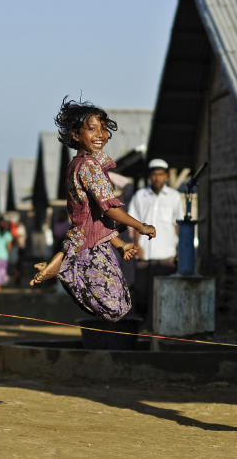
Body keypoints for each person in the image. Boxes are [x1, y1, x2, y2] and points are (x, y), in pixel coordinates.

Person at [31, 98, 155, 321]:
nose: (101, 135)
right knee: (115, 305)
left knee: (117, 304)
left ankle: (65, 264)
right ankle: (67, 269)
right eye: (92, 129)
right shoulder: (88, 166)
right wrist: (140, 226)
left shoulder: (77, 164)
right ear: (76, 135)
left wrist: (120, 244)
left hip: (90, 242)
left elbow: (94, 220)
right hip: (90, 249)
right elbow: (108, 209)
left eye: (104, 129)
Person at [127, 158, 184, 319]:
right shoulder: (140, 196)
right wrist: (137, 247)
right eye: (154, 174)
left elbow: (178, 224)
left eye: (160, 174)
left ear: (165, 176)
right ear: (150, 176)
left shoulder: (174, 197)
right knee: (143, 294)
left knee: (166, 294)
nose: (157, 178)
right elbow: (135, 223)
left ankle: (164, 326)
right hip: (145, 256)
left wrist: (180, 251)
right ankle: (144, 326)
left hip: (167, 256)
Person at [0, 217, 14, 292]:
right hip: (3, 256)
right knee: (1, 272)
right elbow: (9, 246)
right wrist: (6, 252)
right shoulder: (8, 234)